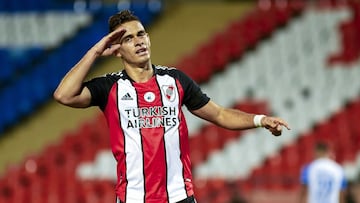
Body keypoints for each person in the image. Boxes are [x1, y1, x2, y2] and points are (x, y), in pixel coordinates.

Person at [53, 9, 290, 203]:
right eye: (128, 38)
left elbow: (219, 114)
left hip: (179, 197)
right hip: (134, 199)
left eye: (141, 34)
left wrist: (260, 120)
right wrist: (94, 52)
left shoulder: (175, 80)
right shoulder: (109, 87)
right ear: (117, 50)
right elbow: (64, 95)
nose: (138, 41)